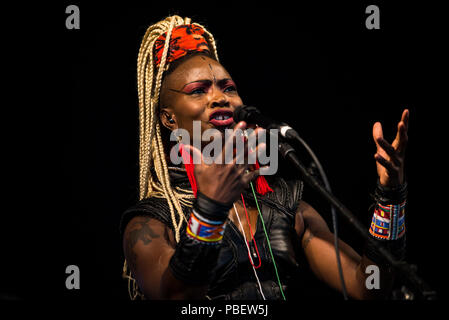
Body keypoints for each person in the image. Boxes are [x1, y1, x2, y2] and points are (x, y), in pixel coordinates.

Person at [120, 15, 410, 300]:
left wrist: (391, 195)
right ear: (168, 118)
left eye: (228, 87)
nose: (220, 97)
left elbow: (369, 288)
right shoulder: (152, 221)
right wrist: (210, 209)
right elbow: (176, 296)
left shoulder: (285, 203)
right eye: (198, 91)